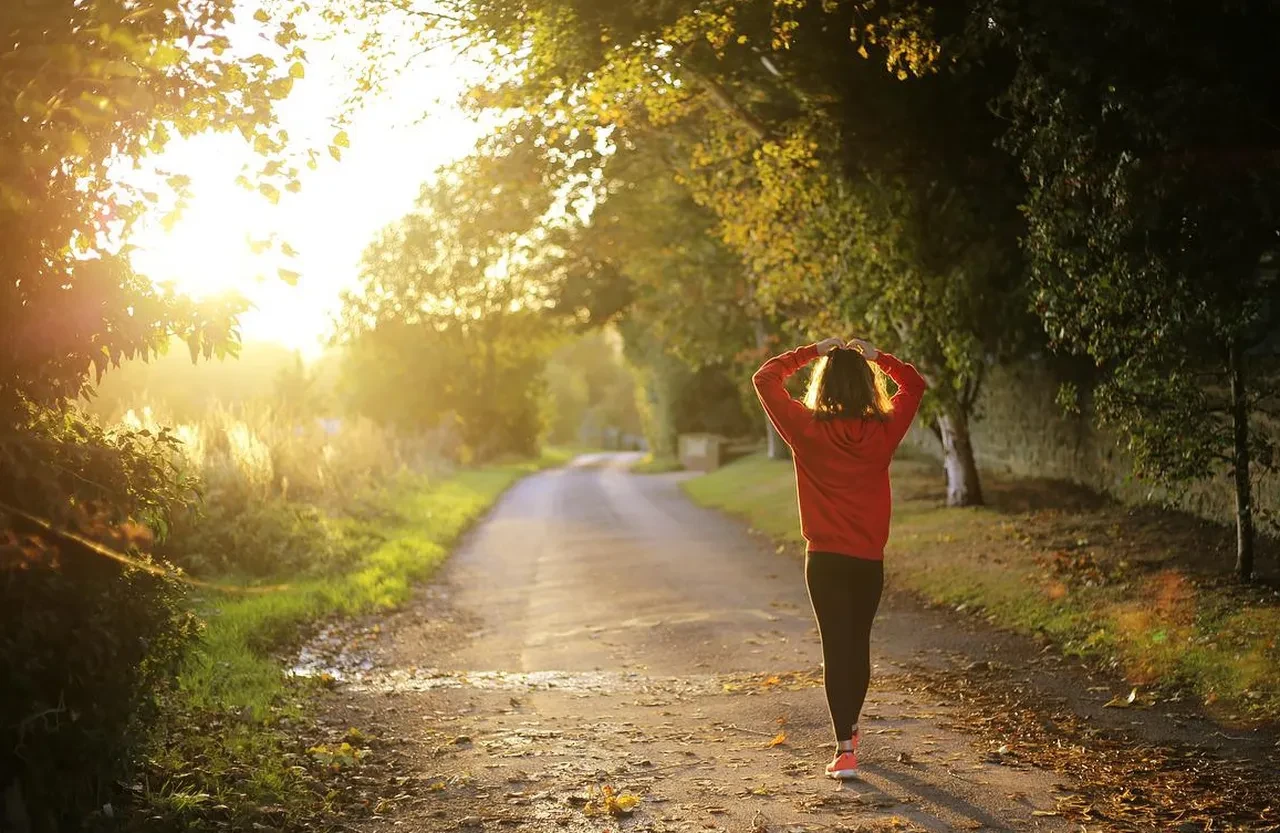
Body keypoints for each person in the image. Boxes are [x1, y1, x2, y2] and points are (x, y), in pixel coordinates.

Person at [752, 336, 926, 780]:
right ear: (868, 387)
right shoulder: (883, 431)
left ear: (823, 385)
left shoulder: (806, 428)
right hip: (867, 560)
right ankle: (849, 727)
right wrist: (878, 358)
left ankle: (845, 748)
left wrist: (813, 351)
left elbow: (765, 378)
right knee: (858, 645)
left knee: (836, 647)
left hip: (825, 560)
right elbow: (915, 384)